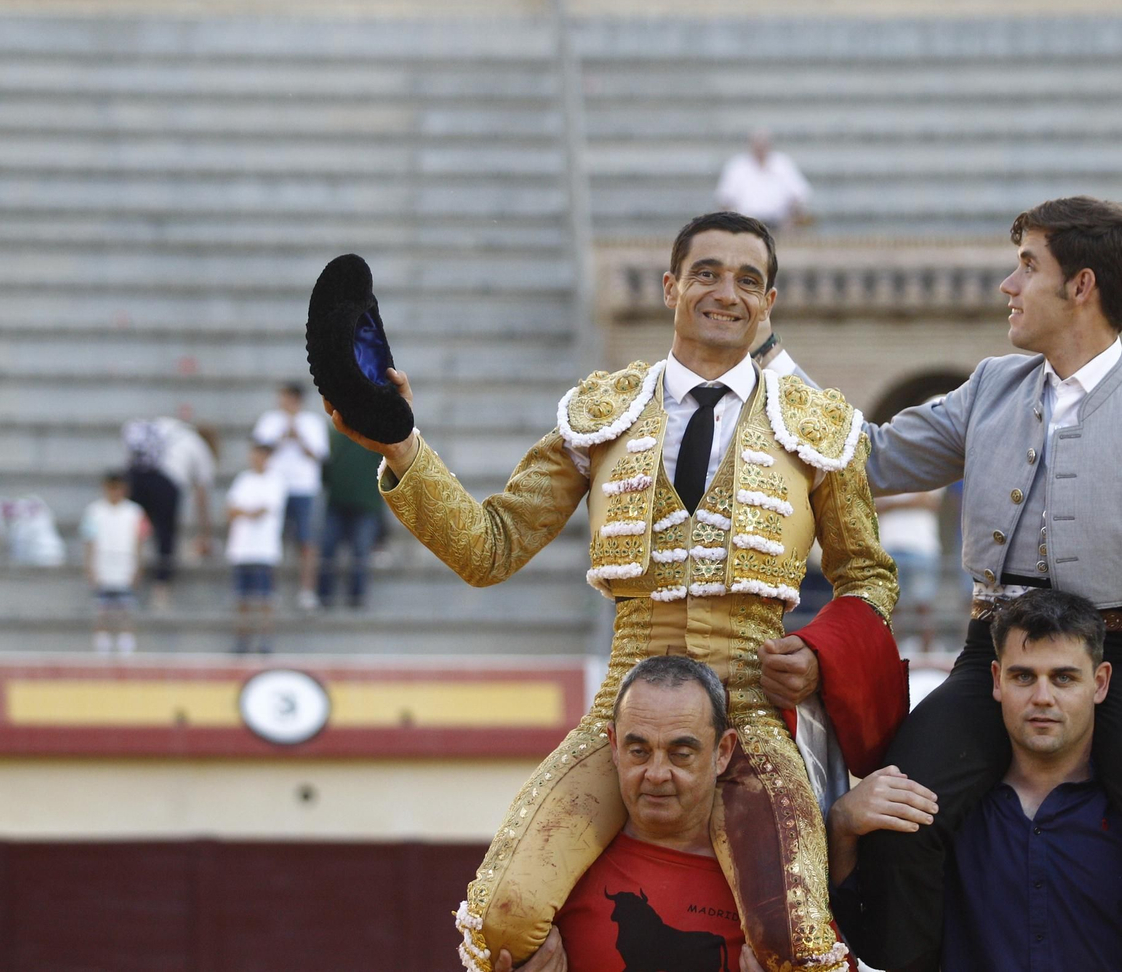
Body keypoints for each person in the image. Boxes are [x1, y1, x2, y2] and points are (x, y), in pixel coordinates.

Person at [329, 211, 903, 972]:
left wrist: (824, 653)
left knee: (795, 942)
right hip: (623, 709)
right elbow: (489, 547)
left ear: (769, 303)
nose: (725, 292)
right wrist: (403, 446)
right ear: (671, 287)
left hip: (754, 708)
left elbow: (868, 575)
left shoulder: (818, 424)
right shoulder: (603, 413)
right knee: (500, 922)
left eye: (747, 280)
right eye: (706, 273)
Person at [759, 196, 1122, 972]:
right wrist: (766, 352)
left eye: (1027, 266)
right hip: (993, 656)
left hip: (1117, 661)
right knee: (900, 817)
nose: (1006, 286)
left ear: (1080, 286)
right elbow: (868, 457)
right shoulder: (990, 387)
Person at [829, 590, 1122, 972]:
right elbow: (871, 936)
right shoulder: (947, 810)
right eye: (1023, 677)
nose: (1042, 698)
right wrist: (844, 827)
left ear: (1099, 683)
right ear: (995, 680)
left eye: (1063, 678)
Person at [497, 655, 770, 972]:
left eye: (680, 755)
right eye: (638, 752)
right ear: (614, 746)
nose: (656, 774)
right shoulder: (556, 875)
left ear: (722, 752)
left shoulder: (766, 885)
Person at [122, 415, 217, 608]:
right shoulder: (199, 446)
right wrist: (205, 534)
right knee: (166, 533)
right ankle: (161, 587)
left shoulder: (169, 425)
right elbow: (202, 495)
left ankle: (127, 574)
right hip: (166, 483)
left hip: (135, 476)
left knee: (133, 527)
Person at [253, 383, 329, 610]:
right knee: (271, 538)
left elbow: (320, 456)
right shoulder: (269, 421)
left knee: (307, 541)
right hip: (274, 486)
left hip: (304, 488)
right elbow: (259, 454)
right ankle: (269, 589)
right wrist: (281, 438)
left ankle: (307, 591)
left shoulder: (312, 423)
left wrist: (299, 438)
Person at [226, 442, 288, 654]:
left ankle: (264, 640)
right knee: (241, 598)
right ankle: (242, 640)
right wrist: (247, 512)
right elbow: (231, 511)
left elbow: (261, 511)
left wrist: (243, 512)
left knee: (264, 599)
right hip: (241, 549)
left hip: (264, 549)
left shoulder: (275, 481)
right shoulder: (243, 479)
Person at [80, 471, 148, 655]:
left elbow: (140, 541)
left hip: (126, 567)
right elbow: (89, 541)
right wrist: (90, 567)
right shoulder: (93, 512)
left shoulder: (135, 512)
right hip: (102, 567)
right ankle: (102, 650)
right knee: (102, 611)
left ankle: (126, 651)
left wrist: (138, 567)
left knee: (125, 611)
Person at [316, 431, 385, 609]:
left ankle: (357, 597)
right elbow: (326, 467)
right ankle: (324, 596)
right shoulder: (334, 436)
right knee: (327, 550)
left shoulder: (374, 435)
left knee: (361, 552)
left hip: (366, 504)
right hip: (337, 503)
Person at [876, 488, 945, 652]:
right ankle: (891, 651)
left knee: (924, 605)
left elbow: (930, 502)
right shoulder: (885, 467)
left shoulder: (930, 467)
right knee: (890, 607)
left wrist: (892, 502)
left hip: (921, 546)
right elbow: (873, 504)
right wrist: (910, 502)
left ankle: (927, 653)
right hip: (888, 546)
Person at [715, 130, 813, 230]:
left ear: (769, 145)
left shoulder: (783, 164)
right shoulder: (737, 166)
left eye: (764, 144)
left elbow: (800, 196)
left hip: (779, 225)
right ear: (751, 144)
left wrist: (792, 219)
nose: (760, 148)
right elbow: (724, 200)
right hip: (745, 226)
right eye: (758, 143)